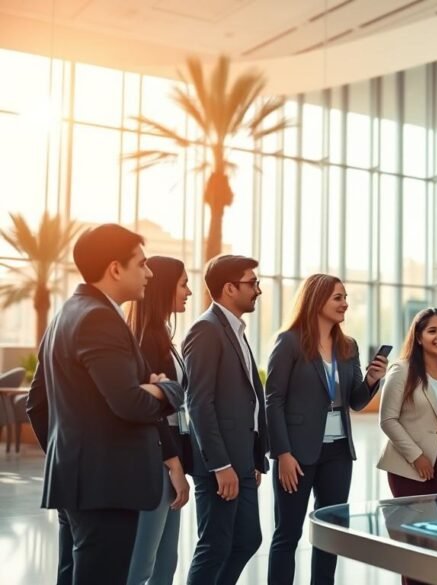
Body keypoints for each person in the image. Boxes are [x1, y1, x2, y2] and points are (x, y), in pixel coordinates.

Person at [26, 224, 182, 585]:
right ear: (115, 268)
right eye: (141, 264)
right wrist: (167, 390)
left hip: (82, 480)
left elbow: (39, 402)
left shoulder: (70, 310)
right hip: (105, 484)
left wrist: (69, 450)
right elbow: (129, 403)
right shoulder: (99, 318)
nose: (149, 273)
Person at [266, 274, 388, 585]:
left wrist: (372, 381)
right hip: (297, 452)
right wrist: (282, 453)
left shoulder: (348, 346)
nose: (345, 303)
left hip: (338, 452)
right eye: (338, 297)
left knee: (331, 531)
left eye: (346, 297)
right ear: (316, 299)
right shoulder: (290, 341)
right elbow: (273, 399)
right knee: (288, 533)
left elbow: (356, 402)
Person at [183, 254, 268, 585]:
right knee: (215, 545)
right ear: (229, 288)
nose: (258, 290)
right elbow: (199, 403)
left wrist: (254, 457)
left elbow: (247, 398)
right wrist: (220, 465)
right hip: (221, 466)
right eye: (252, 283)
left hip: (243, 461)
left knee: (247, 539)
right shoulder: (206, 330)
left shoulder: (235, 330)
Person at [377, 308, 437, 585]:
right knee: (415, 544)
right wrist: (416, 456)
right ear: (418, 337)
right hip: (408, 468)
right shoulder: (402, 370)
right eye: (432, 331)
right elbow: (387, 420)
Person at [125, 256, 193, 585]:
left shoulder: (163, 336)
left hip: (169, 457)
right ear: (165, 288)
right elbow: (152, 412)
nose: (189, 292)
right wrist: (174, 466)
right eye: (183, 284)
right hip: (156, 461)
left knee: (166, 562)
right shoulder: (145, 341)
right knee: (143, 566)